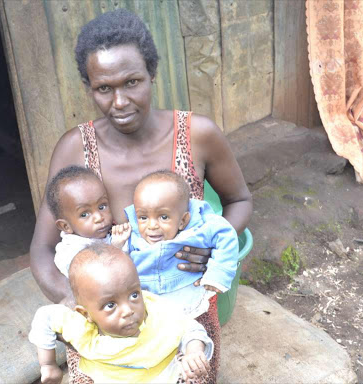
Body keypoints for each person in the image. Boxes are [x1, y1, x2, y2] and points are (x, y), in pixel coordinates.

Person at [30, 8, 252, 383]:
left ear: (152, 74)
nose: (119, 101)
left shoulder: (197, 134)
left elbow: (240, 200)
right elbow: (41, 249)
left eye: (132, 82)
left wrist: (213, 245)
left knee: (192, 375)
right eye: (104, 88)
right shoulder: (75, 148)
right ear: (90, 88)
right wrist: (76, 302)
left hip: (186, 311)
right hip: (108, 326)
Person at [29, 244, 213, 383]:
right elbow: (44, 317)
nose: (128, 310)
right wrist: (48, 364)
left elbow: (190, 327)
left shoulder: (156, 311)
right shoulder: (82, 329)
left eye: (134, 294)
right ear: (86, 314)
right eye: (110, 305)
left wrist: (193, 351)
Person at [113, 171, 238, 318]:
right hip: (148, 305)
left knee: (191, 336)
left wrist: (218, 273)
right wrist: (117, 244)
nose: (152, 225)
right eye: (143, 217)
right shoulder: (133, 235)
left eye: (163, 217)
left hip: (187, 298)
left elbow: (226, 235)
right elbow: (117, 261)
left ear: (183, 220)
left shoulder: (198, 228)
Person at [46, 165, 130, 277]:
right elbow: (96, 277)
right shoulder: (70, 252)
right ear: (66, 226)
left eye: (102, 206)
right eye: (84, 214)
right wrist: (116, 248)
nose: (99, 217)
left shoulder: (109, 234)